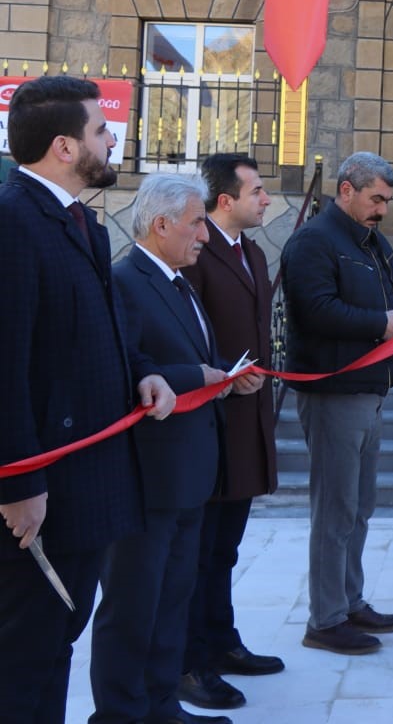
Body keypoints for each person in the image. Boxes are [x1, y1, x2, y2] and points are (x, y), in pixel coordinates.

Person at [0, 76, 170, 724]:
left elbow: (108, 329)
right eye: (102, 130)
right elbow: (6, 362)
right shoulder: (14, 222)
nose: (113, 139)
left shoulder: (83, 224)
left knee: (56, 642)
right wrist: (17, 480)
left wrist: (144, 373)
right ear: (65, 147)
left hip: (91, 484)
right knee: (23, 657)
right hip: (41, 494)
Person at [93, 173, 253, 724]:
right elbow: (121, 369)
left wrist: (218, 377)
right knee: (132, 608)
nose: (204, 236)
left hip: (188, 477)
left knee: (170, 604)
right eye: (195, 225)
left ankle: (162, 706)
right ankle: (120, 713)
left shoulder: (179, 282)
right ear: (161, 225)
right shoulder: (124, 281)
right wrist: (197, 374)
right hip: (145, 480)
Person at [283, 152, 393, 655]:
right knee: (335, 508)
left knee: (360, 506)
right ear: (346, 190)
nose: (382, 210)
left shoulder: (372, 242)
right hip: (334, 392)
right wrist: (380, 325)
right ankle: (324, 620)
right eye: (375, 199)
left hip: (372, 390)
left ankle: (350, 602)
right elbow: (315, 309)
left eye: (387, 201)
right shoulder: (313, 241)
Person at [177, 155, 282, 712]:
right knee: (197, 552)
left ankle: (222, 640)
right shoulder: (196, 252)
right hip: (208, 420)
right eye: (258, 190)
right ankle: (190, 661)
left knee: (225, 549)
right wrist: (218, 376)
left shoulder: (255, 252)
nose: (266, 199)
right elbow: (185, 331)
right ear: (226, 201)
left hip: (246, 422)